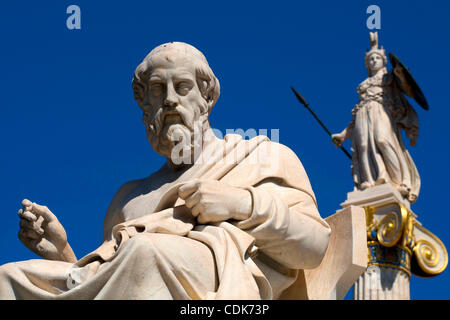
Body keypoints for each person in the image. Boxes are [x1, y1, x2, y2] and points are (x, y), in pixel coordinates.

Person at [0, 42, 330, 299]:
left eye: (182, 86)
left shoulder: (261, 156)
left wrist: (241, 204)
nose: (170, 100)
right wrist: (63, 255)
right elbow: (106, 283)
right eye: (158, 90)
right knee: (8, 279)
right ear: (145, 106)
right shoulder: (128, 198)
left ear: (207, 98)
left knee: (143, 250)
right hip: (143, 271)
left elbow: (313, 246)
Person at [332, 33, 421, 203]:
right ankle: (370, 181)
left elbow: (408, 91)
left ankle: (399, 181)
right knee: (363, 146)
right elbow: (356, 111)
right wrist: (343, 135)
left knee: (382, 140)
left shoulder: (388, 78)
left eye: (376, 58)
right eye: (370, 59)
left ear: (383, 61)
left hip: (381, 111)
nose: (373, 61)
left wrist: (401, 75)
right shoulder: (363, 86)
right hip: (363, 114)